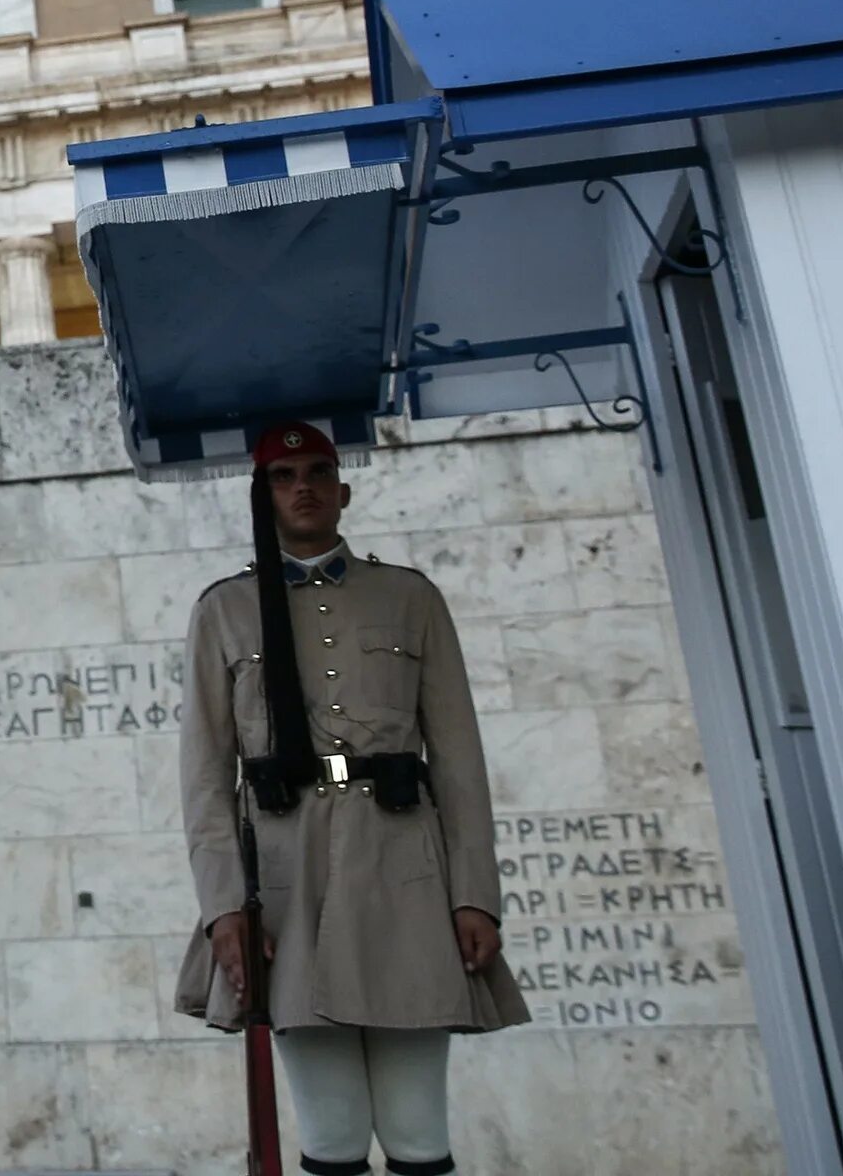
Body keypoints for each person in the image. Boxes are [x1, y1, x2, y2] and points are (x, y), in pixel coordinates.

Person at [176, 421, 529, 1176]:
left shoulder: (409, 597)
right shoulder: (226, 610)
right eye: (281, 475)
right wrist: (223, 909)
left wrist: (475, 895)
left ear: (343, 490)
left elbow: (459, 760)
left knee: (417, 1125)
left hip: (402, 864)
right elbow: (206, 777)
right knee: (331, 1130)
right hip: (288, 877)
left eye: (316, 471)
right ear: (261, 494)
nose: (301, 486)